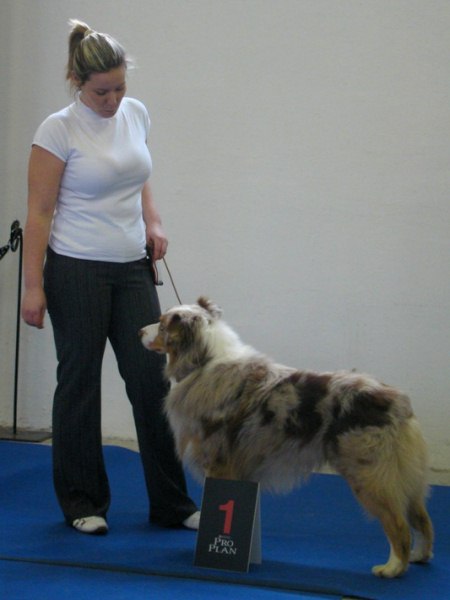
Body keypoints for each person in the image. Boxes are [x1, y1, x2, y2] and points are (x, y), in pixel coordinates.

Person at [21, 19, 199, 535]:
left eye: (120, 88)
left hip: (132, 268)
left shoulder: (135, 114)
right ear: (77, 82)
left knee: (153, 382)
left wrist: (153, 221)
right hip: (76, 269)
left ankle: (172, 504)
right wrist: (33, 286)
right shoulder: (57, 130)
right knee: (79, 384)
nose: (113, 100)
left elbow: (135, 175)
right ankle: (84, 502)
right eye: (102, 92)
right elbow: (39, 213)